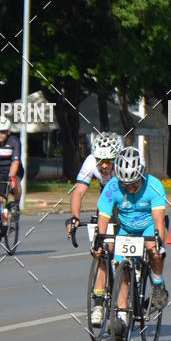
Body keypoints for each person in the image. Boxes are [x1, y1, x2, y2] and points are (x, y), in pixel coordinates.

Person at [94, 146, 168, 339]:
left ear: (141, 175)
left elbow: (159, 219)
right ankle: (121, 317)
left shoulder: (154, 185)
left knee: (154, 249)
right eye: (125, 184)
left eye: (134, 183)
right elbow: (103, 216)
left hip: (149, 226)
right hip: (126, 227)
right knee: (121, 266)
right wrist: (100, 240)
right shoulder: (112, 187)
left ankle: (158, 285)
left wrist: (158, 239)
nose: (130, 188)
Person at [67, 132, 123, 326]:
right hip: (106, 203)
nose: (104, 165)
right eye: (101, 160)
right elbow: (79, 191)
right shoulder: (91, 161)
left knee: (125, 248)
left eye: (108, 161)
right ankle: (98, 303)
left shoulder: (124, 162)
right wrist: (74, 217)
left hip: (127, 203)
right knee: (101, 249)